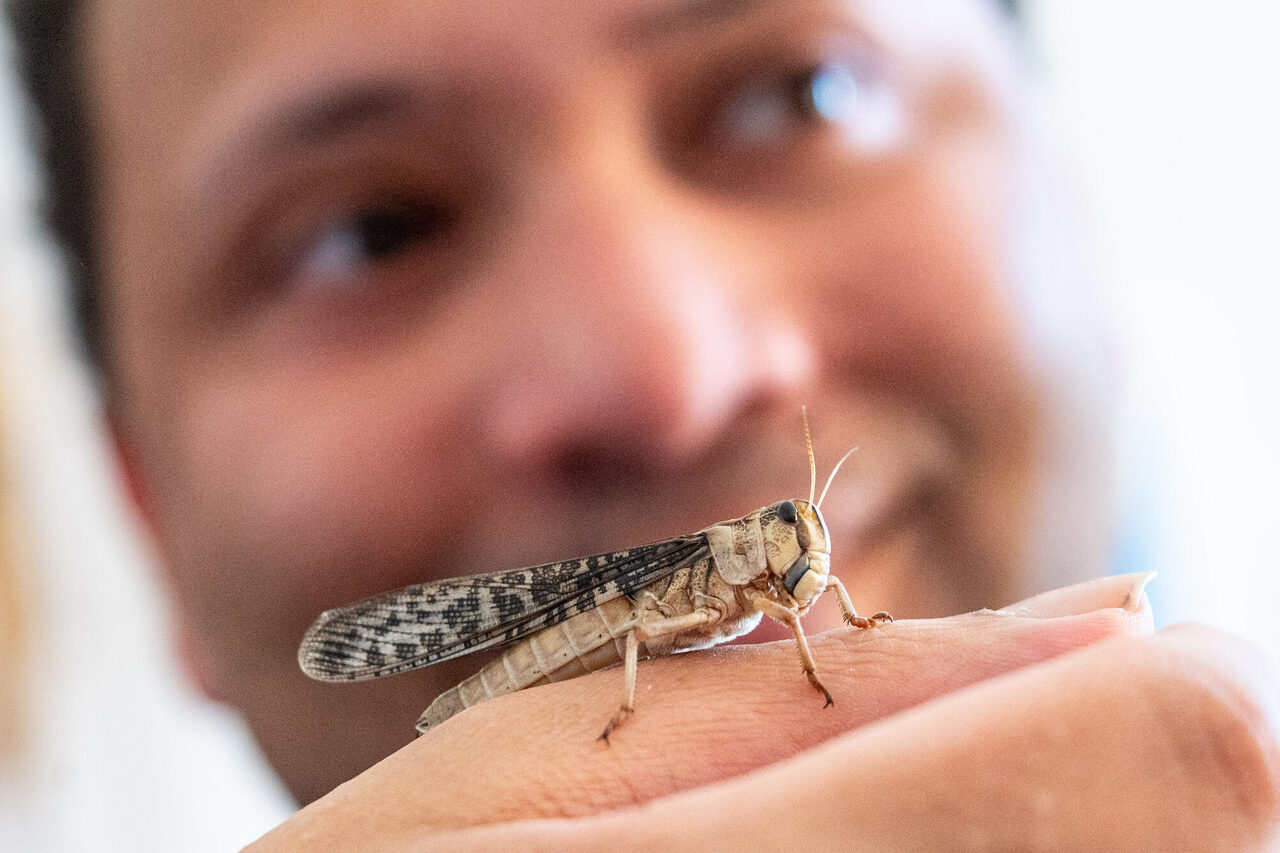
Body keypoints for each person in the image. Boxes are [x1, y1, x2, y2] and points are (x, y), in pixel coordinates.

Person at [7, 0, 1278, 848]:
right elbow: (640, 630)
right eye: (371, 232)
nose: (664, 375)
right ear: (146, 517)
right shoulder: (698, 571)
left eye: (800, 94)